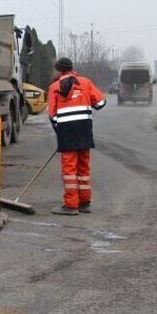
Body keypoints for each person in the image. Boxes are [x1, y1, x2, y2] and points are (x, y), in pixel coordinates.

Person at [47, 57, 106, 215]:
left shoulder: (54, 87)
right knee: (83, 167)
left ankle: (71, 205)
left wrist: (59, 130)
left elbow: (52, 115)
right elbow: (100, 103)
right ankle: (84, 203)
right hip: (84, 130)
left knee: (69, 169)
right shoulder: (85, 82)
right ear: (72, 68)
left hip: (67, 131)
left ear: (59, 70)